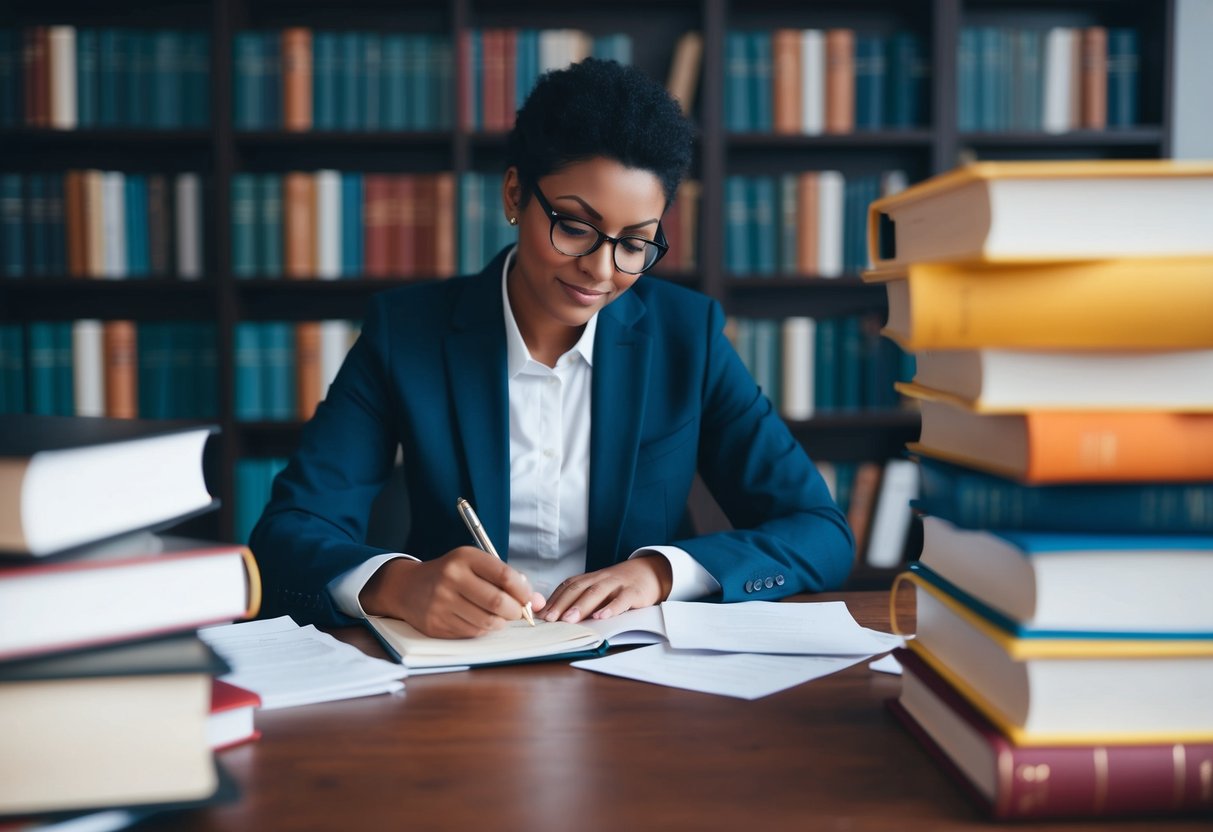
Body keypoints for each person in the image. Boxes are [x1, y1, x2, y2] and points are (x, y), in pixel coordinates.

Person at [250, 58, 854, 637]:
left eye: (635, 243)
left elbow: (819, 531)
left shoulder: (685, 336)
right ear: (515, 194)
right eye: (574, 226)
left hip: (637, 681)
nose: (600, 269)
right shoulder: (406, 333)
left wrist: (661, 573)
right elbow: (287, 536)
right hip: (457, 674)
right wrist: (397, 585)